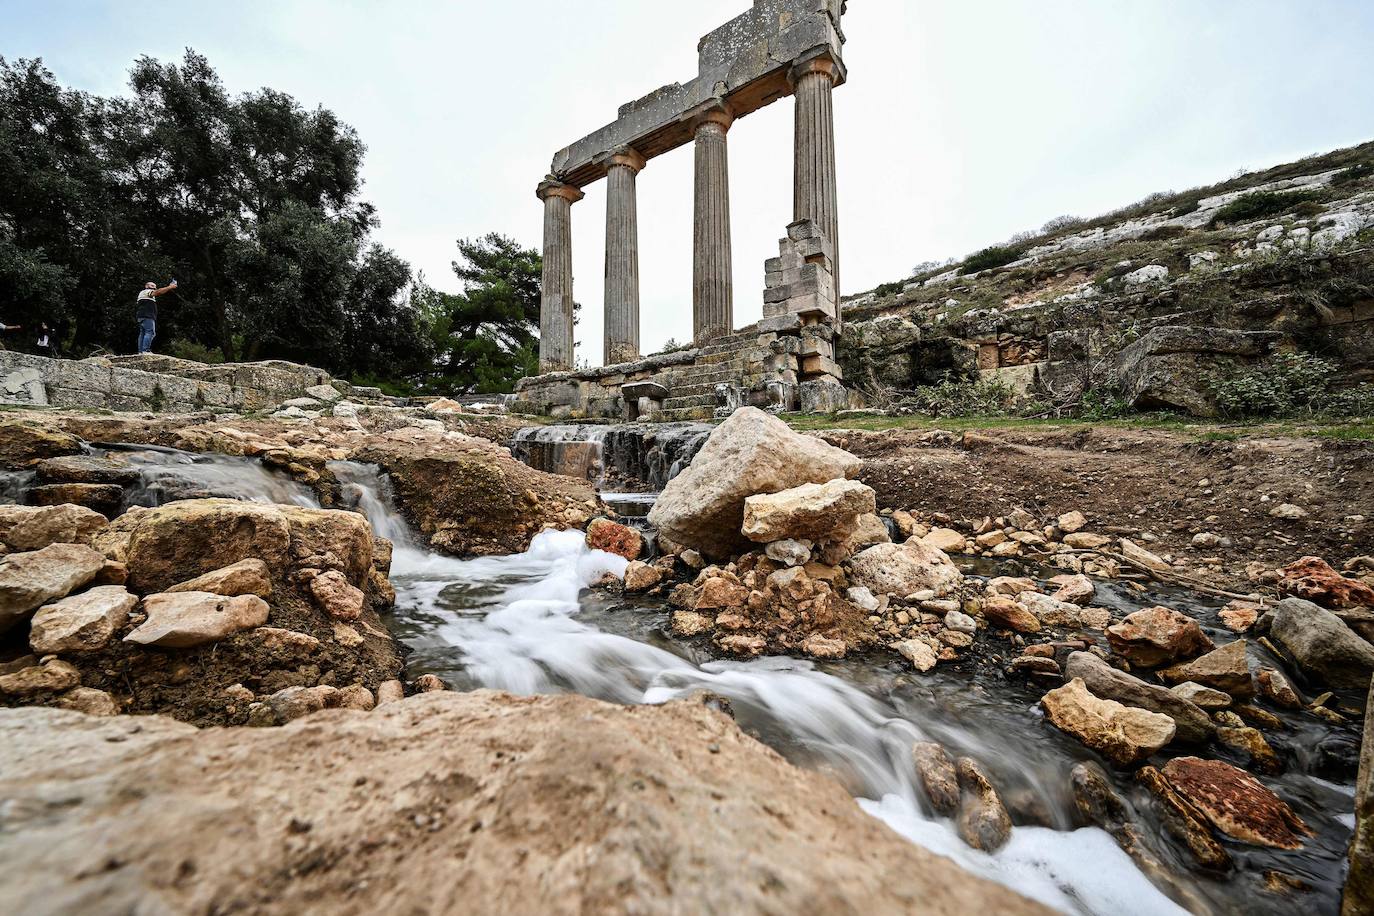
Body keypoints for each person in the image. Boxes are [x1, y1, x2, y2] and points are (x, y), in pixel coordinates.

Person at [136, 279, 177, 354]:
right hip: (147, 316)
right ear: (146, 286)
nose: (154, 287)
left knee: (143, 333)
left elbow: (158, 292)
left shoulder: (142, 294)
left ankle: (141, 351)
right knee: (150, 332)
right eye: (151, 285)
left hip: (141, 316)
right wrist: (169, 287)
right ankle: (145, 351)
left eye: (155, 286)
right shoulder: (146, 292)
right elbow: (158, 292)